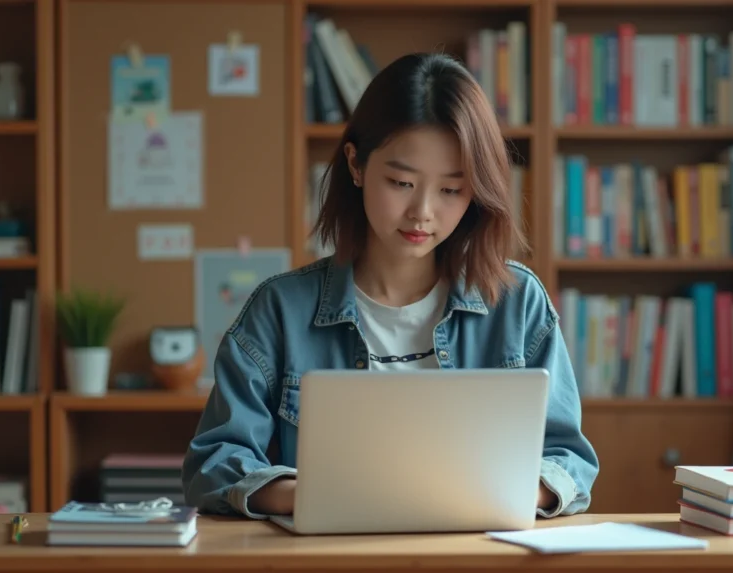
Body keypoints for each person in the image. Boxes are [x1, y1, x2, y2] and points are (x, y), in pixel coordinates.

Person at [182, 52, 599, 519]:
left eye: (450, 190)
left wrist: (503, 492)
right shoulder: (280, 310)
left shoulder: (517, 303)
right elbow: (213, 465)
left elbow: (570, 461)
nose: (422, 211)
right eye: (401, 182)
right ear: (356, 166)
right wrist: (316, 498)